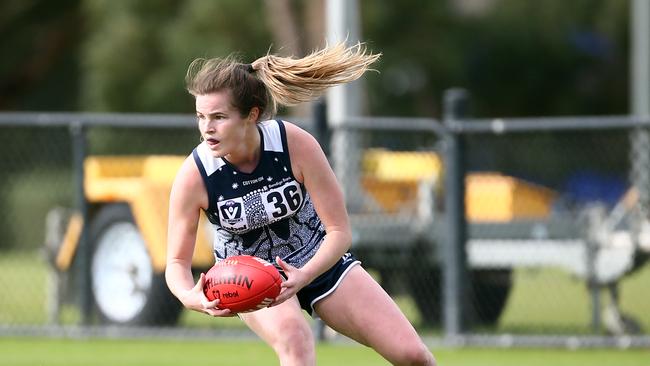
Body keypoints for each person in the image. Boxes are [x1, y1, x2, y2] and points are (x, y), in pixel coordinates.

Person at [165, 41, 437, 366]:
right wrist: (189, 296)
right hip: (253, 275)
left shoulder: (293, 144)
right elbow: (176, 264)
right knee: (295, 339)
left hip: (316, 259)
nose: (206, 128)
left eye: (219, 117)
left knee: (413, 355)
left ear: (251, 115)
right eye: (201, 116)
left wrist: (305, 274)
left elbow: (338, 231)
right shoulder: (196, 174)